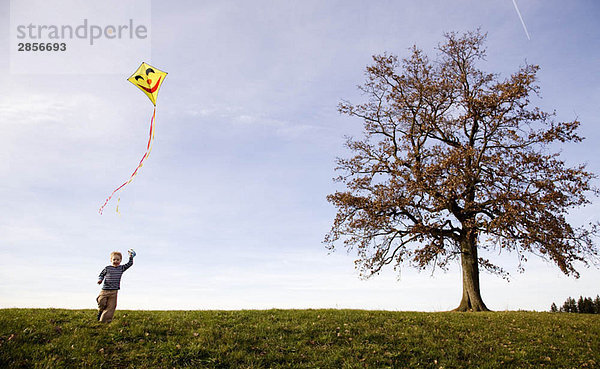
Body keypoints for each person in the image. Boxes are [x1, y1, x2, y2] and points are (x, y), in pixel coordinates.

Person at [96, 249, 135, 323]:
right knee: (101, 301)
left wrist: (131, 257)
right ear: (111, 260)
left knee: (111, 307)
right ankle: (100, 311)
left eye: (118, 260)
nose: (116, 261)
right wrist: (100, 280)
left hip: (114, 292)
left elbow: (129, 264)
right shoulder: (107, 268)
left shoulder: (121, 268)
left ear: (120, 260)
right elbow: (101, 274)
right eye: (114, 259)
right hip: (105, 290)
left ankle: (104, 321)